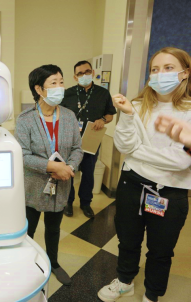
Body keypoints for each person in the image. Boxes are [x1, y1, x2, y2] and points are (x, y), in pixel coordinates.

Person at [98, 47, 191, 302]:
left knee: (160, 250)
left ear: (185, 73)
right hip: (132, 184)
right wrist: (128, 115)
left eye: (168, 68)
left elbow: (182, 160)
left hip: (170, 191)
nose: (160, 74)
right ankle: (125, 281)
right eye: (155, 69)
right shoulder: (136, 106)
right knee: (128, 241)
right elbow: (124, 146)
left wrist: (138, 151)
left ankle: (152, 294)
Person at [15, 64, 83, 286]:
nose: (60, 87)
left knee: (54, 229)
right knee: (28, 230)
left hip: (61, 185)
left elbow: (77, 149)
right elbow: (23, 155)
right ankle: (25, 264)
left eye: (61, 82)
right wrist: (54, 167)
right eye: (53, 83)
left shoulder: (70, 116)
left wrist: (70, 168)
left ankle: (53, 262)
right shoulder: (25, 119)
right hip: (33, 185)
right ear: (39, 89)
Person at [61, 60, 116, 218]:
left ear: (92, 73)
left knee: (88, 173)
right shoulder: (67, 93)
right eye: (80, 73)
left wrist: (103, 120)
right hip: (70, 141)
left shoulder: (103, 93)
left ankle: (86, 203)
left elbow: (110, 115)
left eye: (87, 72)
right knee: (69, 172)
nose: (84, 75)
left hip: (92, 140)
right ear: (75, 76)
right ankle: (68, 202)